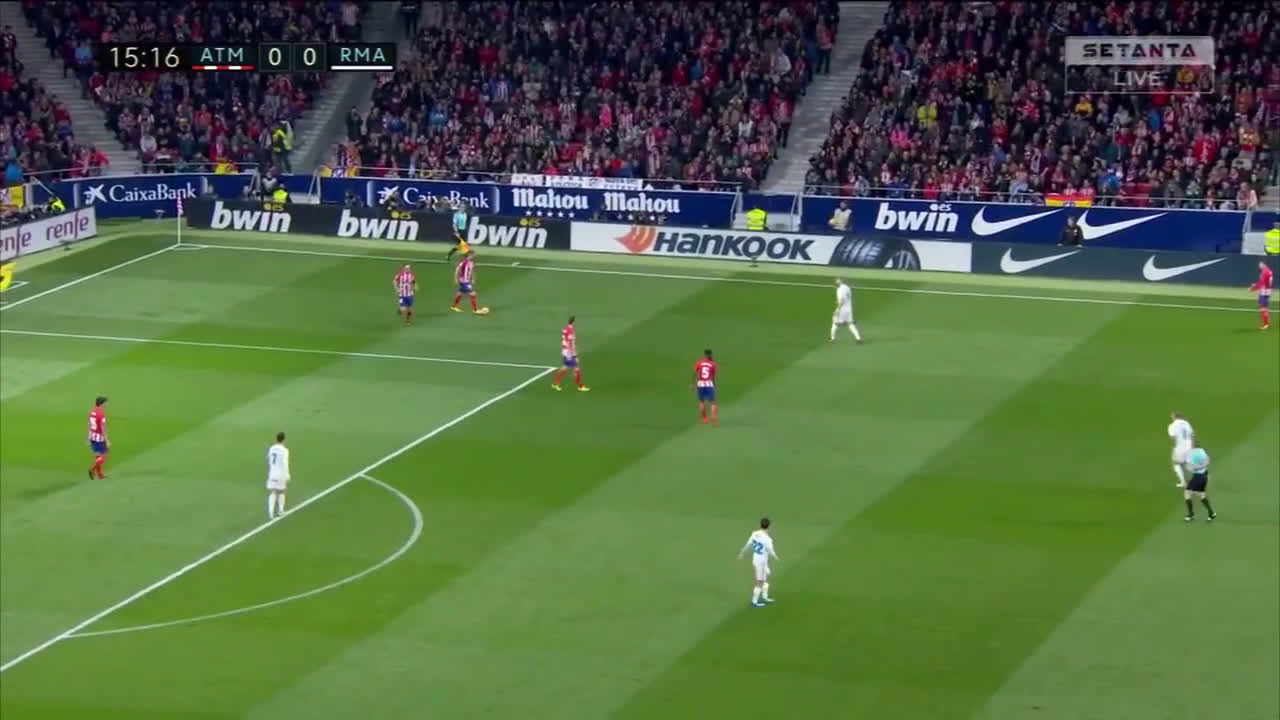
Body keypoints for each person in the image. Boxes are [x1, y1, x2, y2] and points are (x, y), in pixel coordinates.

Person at [737, 517, 778, 608]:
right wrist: (775, 556)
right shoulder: (767, 539)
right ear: (769, 526)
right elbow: (770, 550)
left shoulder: (755, 534)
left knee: (765, 579)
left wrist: (742, 553)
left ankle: (764, 596)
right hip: (761, 562)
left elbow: (748, 544)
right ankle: (754, 602)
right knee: (760, 582)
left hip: (757, 559)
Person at [551, 315, 589, 392]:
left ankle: (555, 384)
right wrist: (573, 354)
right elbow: (570, 343)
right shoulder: (571, 331)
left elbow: (564, 340)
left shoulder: (565, 329)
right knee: (577, 369)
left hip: (565, 352)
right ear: (574, 322)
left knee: (564, 368)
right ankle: (580, 386)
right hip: (569, 353)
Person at [1182, 445, 1216, 522]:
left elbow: (1190, 468)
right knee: (1201, 495)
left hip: (1198, 476)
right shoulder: (1202, 451)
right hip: (1205, 475)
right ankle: (1211, 513)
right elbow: (1208, 460)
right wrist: (1202, 466)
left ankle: (1191, 514)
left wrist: (1195, 468)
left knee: (1187, 493)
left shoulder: (1191, 454)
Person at [830, 278, 863, 343]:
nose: (835, 283)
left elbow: (842, 301)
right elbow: (846, 298)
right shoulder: (847, 287)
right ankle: (858, 338)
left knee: (835, 323)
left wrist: (837, 310)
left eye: (836, 282)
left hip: (842, 309)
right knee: (850, 324)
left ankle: (832, 338)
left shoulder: (839, 290)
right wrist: (838, 301)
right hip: (849, 309)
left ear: (838, 283)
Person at [266, 431, 290, 520]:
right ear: (284, 439)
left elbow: (268, 459)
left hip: (272, 472)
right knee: (281, 492)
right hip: (280, 473)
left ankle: (270, 512)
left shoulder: (272, 448)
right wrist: (287, 474)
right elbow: (285, 463)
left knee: (273, 492)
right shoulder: (285, 450)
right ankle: (280, 511)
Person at [1167, 412, 1195, 488]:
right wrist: (1193, 446)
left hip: (1179, 447)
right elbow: (1192, 435)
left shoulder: (1172, 425)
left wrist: (1174, 447)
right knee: (1188, 463)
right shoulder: (1187, 423)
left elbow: (1173, 438)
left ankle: (1183, 482)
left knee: (1176, 463)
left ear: (1174, 417)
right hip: (1189, 446)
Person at [693, 349, 718, 425]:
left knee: (701, 401)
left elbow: (695, 373)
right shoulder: (713, 364)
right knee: (713, 402)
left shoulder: (699, 362)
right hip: (709, 383)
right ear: (711, 355)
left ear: (705, 355)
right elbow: (713, 376)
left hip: (700, 384)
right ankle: (713, 417)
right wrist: (714, 384)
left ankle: (704, 418)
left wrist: (693, 384)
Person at [87, 395, 108, 479]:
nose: (106, 404)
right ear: (102, 404)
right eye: (106, 403)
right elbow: (103, 427)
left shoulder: (92, 412)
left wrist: (89, 437)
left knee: (98, 456)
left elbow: (89, 425)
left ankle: (100, 474)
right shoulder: (101, 414)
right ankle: (92, 470)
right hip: (99, 438)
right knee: (104, 455)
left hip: (92, 437)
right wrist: (106, 439)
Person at [1248, 260, 1273, 330]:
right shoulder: (1268, 271)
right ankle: (1267, 322)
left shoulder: (1265, 272)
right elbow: (1262, 282)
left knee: (1263, 308)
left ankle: (1266, 324)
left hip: (1264, 292)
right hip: (1267, 291)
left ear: (1264, 264)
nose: (1259, 266)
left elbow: (1262, 283)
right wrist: (1255, 285)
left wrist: (1253, 288)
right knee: (1264, 307)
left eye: (1260, 264)